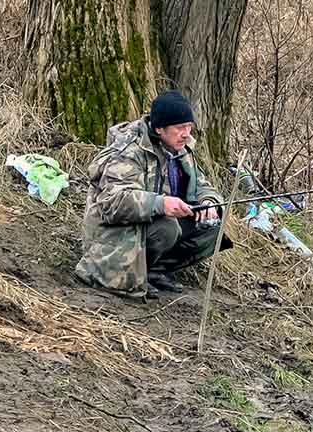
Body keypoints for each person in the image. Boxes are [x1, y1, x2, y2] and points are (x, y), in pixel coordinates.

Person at [76, 90, 231, 299]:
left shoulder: (180, 148)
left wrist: (209, 202)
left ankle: (152, 270)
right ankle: (130, 274)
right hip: (112, 235)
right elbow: (112, 203)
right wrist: (160, 203)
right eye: (179, 128)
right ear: (159, 128)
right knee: (167, 227)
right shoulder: (129, 152)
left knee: (212, 227)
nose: (186, 134)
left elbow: (202, 185)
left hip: (149, 226)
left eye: (189, 127)